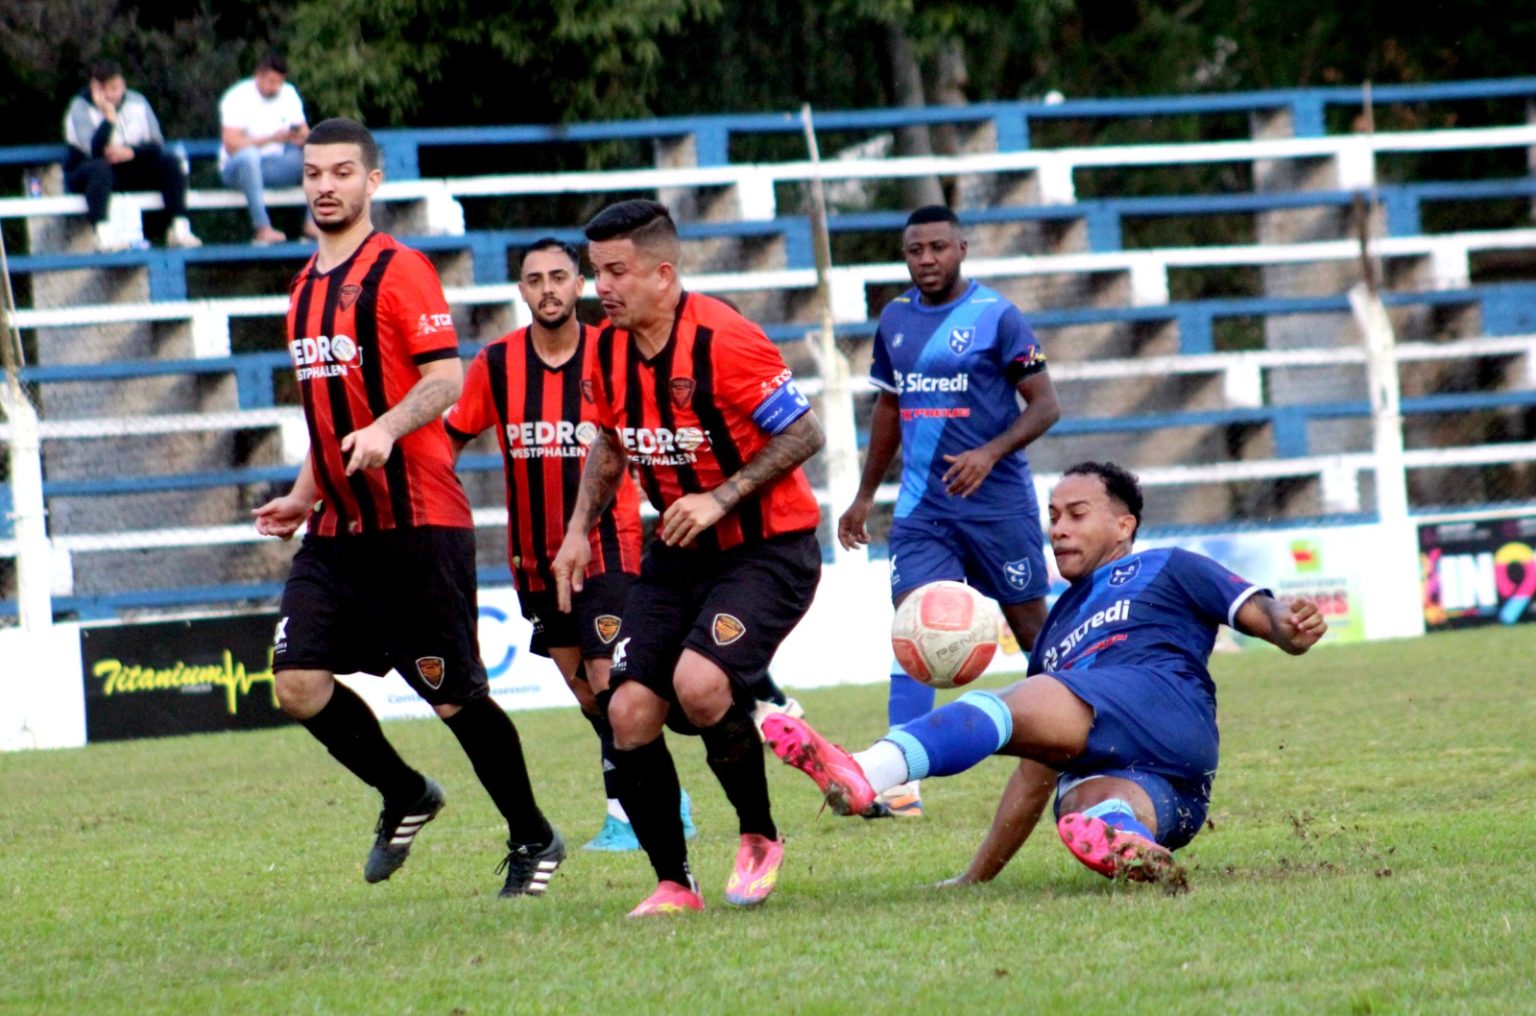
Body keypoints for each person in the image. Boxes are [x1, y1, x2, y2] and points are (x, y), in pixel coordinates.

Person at [252, 118, 562, 899]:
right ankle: (405, 792)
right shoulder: (302, 290)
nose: (326, 185)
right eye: (314, 173)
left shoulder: (401, 270)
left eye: (342, 172)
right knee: (296, 683)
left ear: (372, 181)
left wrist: (390, 429)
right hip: (337, 532)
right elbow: (330, 416)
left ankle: (533, 835)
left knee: (454, 697)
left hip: (418, 526)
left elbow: (446, 379)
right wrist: (302, 493)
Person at [766, 461, 1327, 886]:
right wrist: (975, 878)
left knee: (1006, 705)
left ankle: (867, 770)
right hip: (1176, 786)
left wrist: (1288, 624)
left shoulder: (1168, 566)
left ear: (1124, 525)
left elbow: (1264, 613)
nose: (1058, 529)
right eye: (1053, 517)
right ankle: (1132, 838)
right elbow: (1034, 774)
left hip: (1161, 700)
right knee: (1080, 804)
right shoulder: (1057, 628)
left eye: (1077, 515)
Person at [550, 199, 825, 916]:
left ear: (663, 275)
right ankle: (674, 881)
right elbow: (610, 443)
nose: (602, 287)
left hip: (768, 549)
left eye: (617, 271)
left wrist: (721, 496)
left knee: (699, 686)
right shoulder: (606, 351)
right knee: (628, 710)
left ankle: (759, 836)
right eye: (597, 271)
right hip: (677, 555)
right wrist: (577, 530)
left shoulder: (725, 339)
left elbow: (805, 433)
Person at [444, 236, 698, 853]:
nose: (548, 289)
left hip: (609, 547)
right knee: (586, 693)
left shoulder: (613, 352)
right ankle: (666, 790)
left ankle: (633, 813)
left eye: (559, 276)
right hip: (534, 559)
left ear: (579, 285)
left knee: (610, 682)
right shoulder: (497, 364)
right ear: (521, 290)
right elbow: (449, 437)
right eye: (535, 280)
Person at [838, 204, 1059, 818]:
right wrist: (864, 494)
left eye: (938, 247)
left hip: (998, 507)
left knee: (1035, 633)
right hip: (924, 508)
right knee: (913, 624)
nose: (927, 259)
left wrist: (989, 452)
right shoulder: (896, 319)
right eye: (915, 251)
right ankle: (899, 783)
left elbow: (1046, 405)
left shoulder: (997, 317)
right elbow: (889, 408)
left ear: (962, 247)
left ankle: (1080, 747)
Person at [63, 60, 201, 252]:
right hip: (89, 174)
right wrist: (109, 118)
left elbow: (155, 144)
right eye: (106, 89)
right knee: (99, 168)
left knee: (169, 163)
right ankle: (103, 236)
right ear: (95, 87)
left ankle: (179, 228)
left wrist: (131, 152)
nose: (112, 95)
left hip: (130, 166)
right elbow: (94, 151)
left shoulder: (138, 102)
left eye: (116, 88)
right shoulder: (79, 108)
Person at [218, 51, 314, 245]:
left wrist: (299, 138)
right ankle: (262, 228)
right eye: (271, 82)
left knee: (315, 155)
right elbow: (231, 144)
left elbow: (305, 131)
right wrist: (271, 139)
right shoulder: (237, 97)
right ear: (258, 76)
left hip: (275, 165)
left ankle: (312, 223)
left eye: (279, 83)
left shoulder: (288, 93)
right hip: (238, 168)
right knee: (250, 157)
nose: (275, 88)